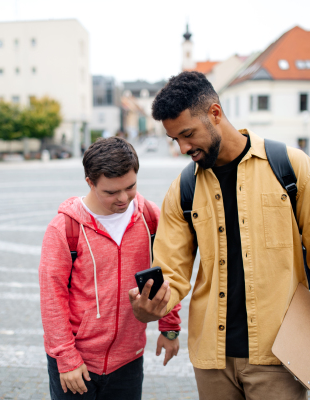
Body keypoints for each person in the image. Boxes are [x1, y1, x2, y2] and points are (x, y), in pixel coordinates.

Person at [129, 72, 310, 400]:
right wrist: (149, 306)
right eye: (175, 139)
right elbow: (171, 273)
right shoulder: (183, 188)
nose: (182, 147)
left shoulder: (290, 167)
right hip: (212, 360)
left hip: (279, 354)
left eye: (188, 134)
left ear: (215, 113)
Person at [39, 137, 182, 400]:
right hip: (77, 363)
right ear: (90, 183)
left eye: (130, 187)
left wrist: (169, 327)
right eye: (110, 192)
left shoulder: (150, 217)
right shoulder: (64, 229)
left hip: (128, 361)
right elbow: (52, 299)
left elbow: (167, 276)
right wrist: (67, 358)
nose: (123, 198)